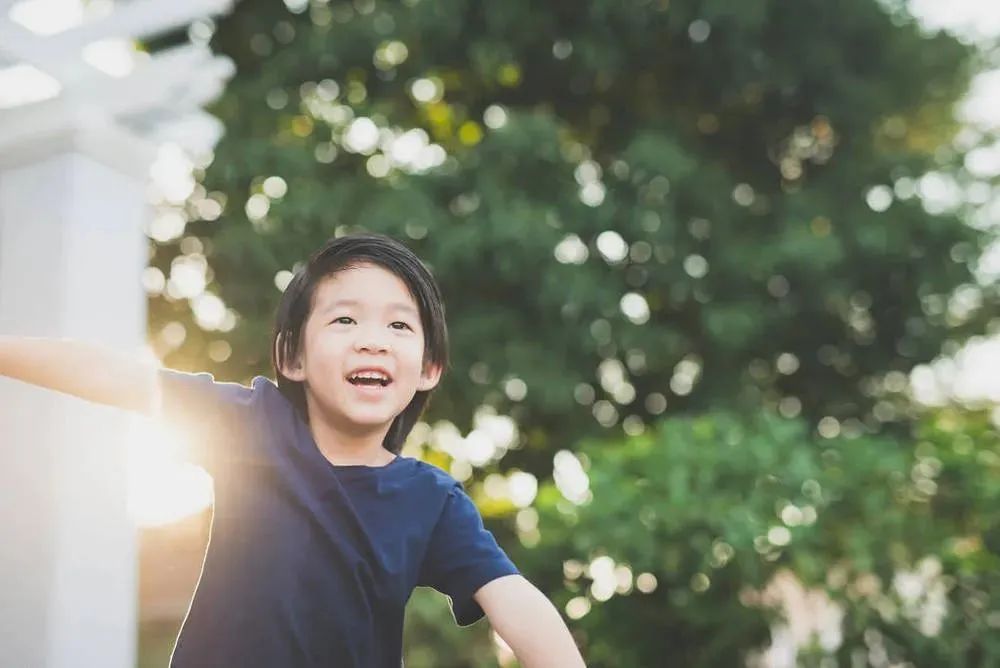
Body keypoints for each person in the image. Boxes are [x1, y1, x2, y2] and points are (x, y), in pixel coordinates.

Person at [0, 233, 586, 667]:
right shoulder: (251, 424)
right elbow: (107, 373)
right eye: (345, 319)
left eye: (399, 327)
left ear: (429, 368)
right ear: (292, 358)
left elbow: (513, 599)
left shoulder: (430, 501)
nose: (372, 341)